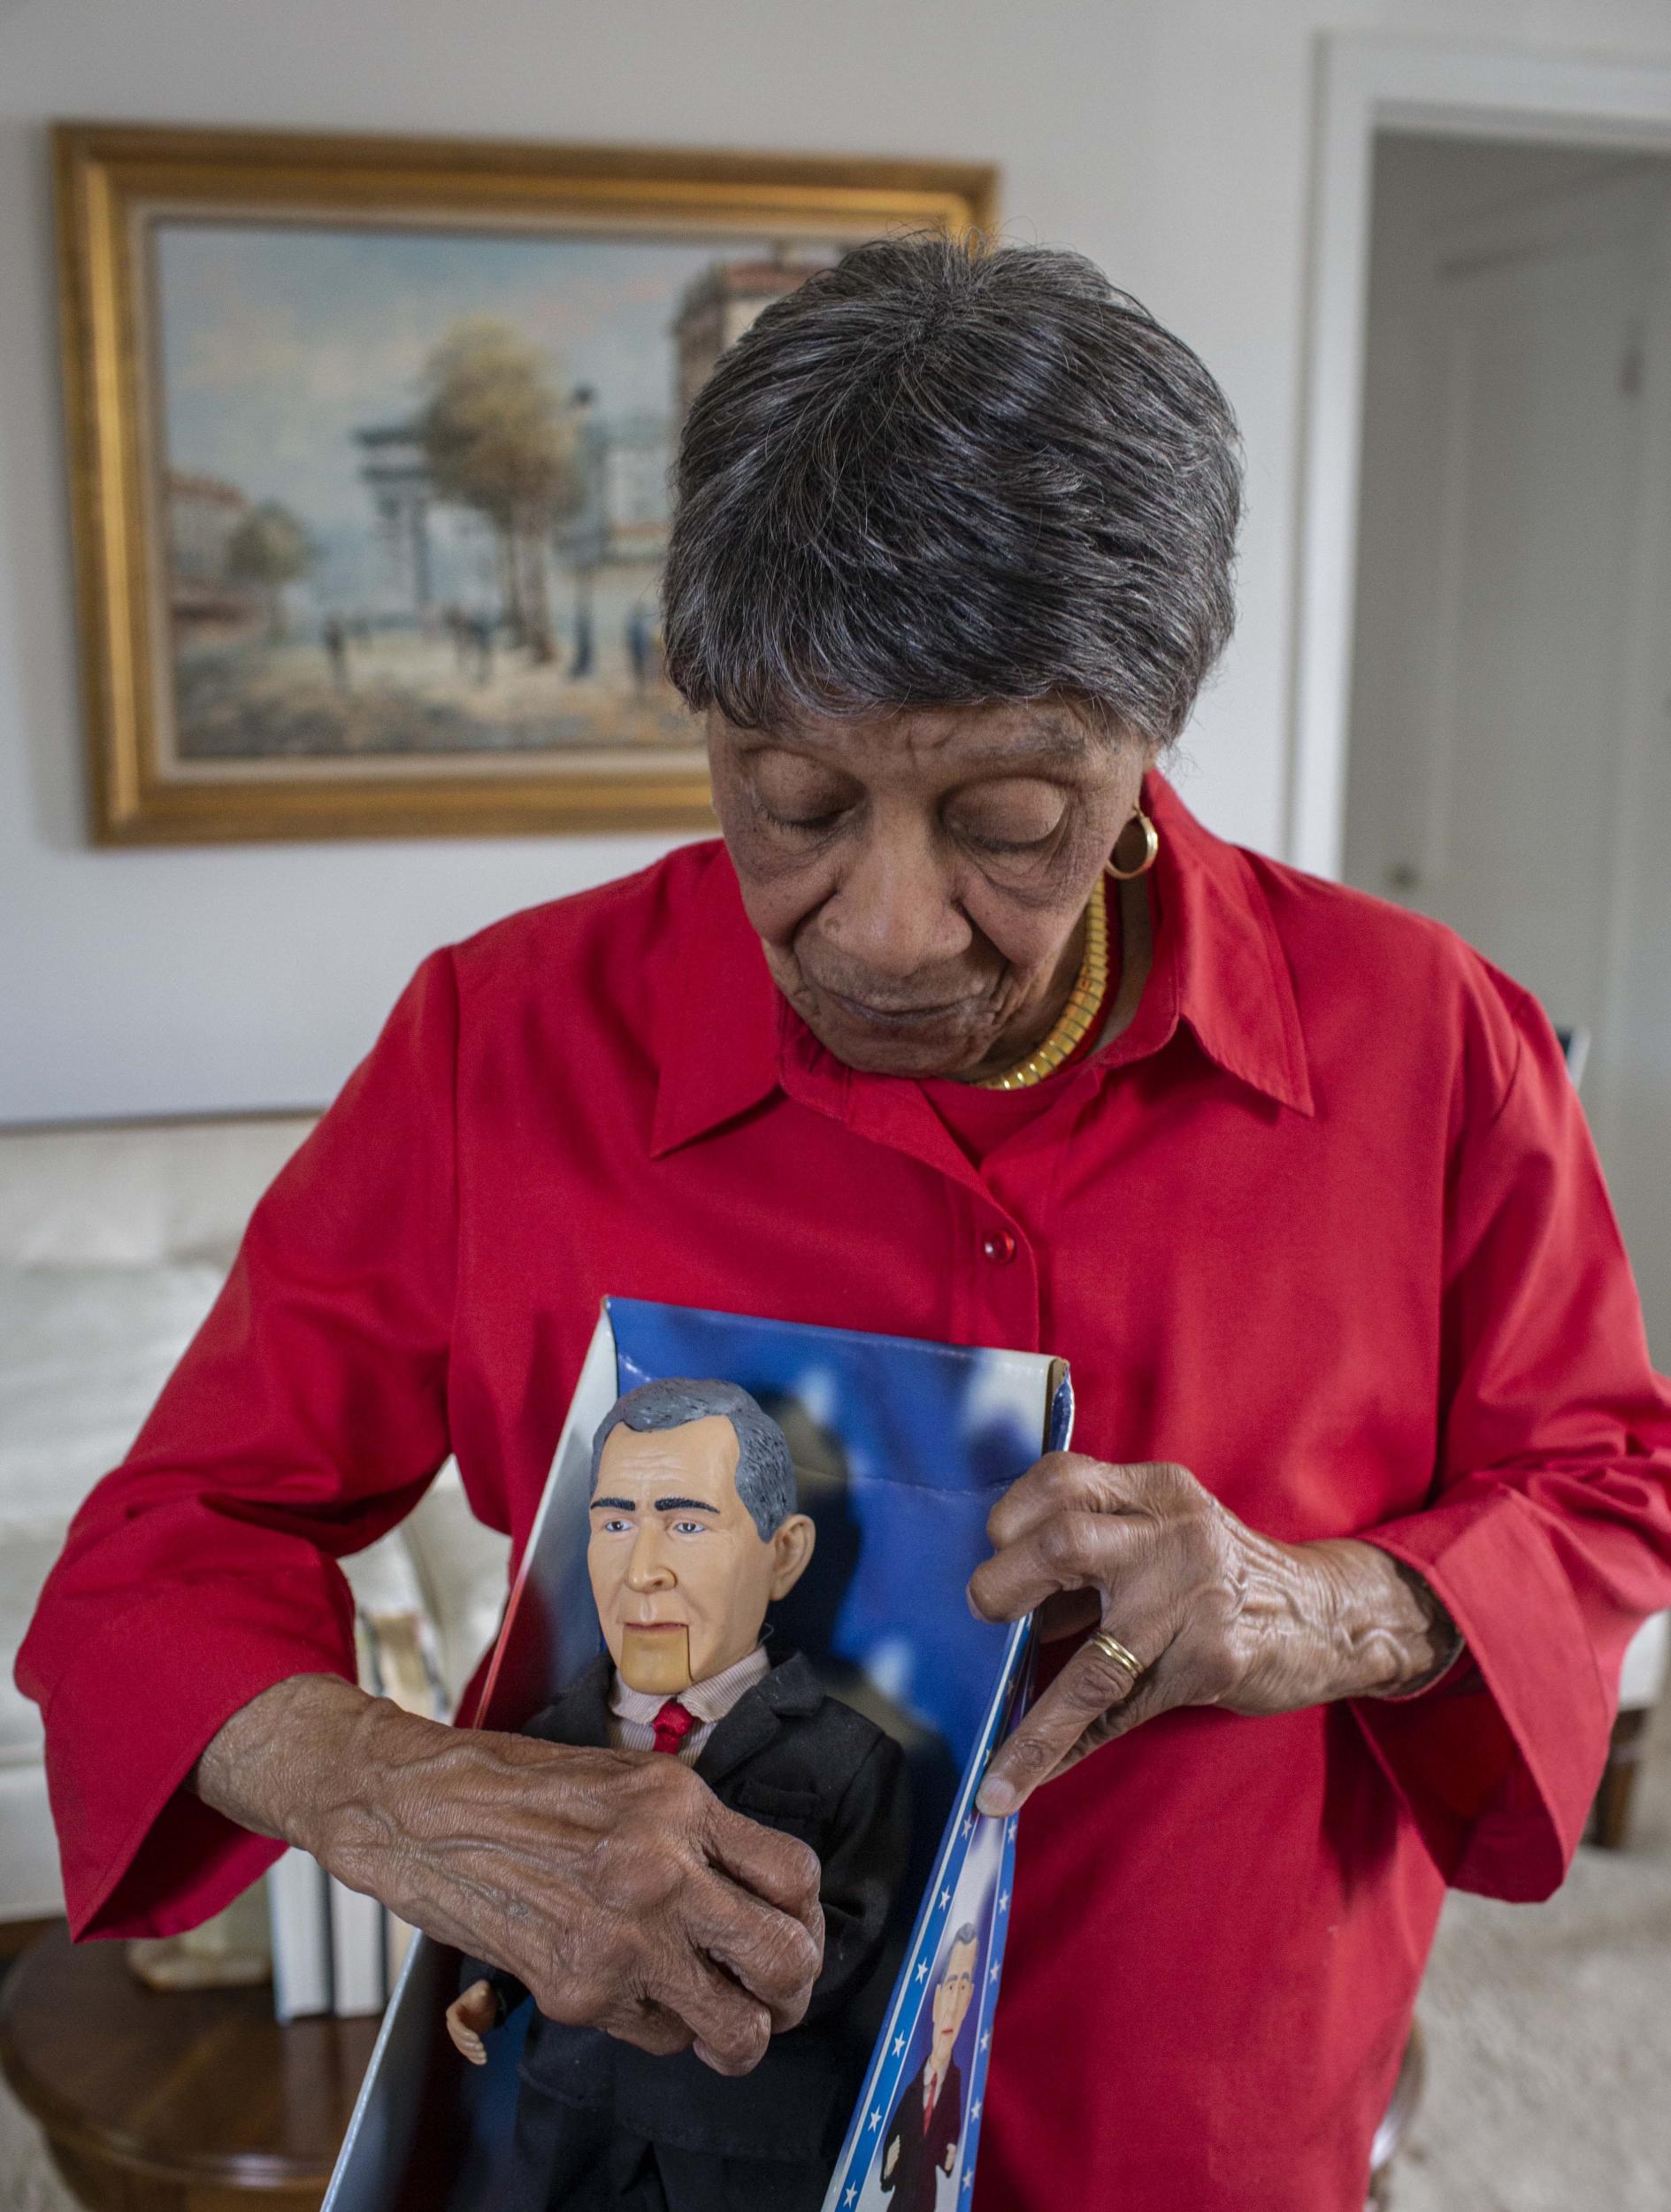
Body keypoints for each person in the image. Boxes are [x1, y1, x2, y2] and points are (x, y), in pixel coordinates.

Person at [19, 234, 1671, 2212]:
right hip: (644, 2146)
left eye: (1005, 818)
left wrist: (1326, 1606)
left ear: (1149, 736)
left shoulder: (1428, 1045)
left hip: (1203, 2131)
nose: (884, 932)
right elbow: (154, 1554)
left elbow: (1601, 1487)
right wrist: (399, 1791)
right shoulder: (501, 1039)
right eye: (789, 798)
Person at [443, 1378, 908, 2212]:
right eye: (615, 1524)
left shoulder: (845, 1757)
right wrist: (492, 1987)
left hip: (741, 2132)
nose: (643, 1571)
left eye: (687, 1524)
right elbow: (519, 1896)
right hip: (573, 2114)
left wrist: (706, 1964)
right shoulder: (548, 1742)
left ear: (784, 1555)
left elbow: (850, 1944)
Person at [879, 1922, 977, 2212]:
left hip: (928, 2201)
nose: (953, 2005)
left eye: (962, 1988)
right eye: (950, 1986)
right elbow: (893, 2138)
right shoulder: (910, 2083)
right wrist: (888, 2167)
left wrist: (950, 2152)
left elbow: (952, 2130)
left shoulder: (957, 2080)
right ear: (935, 2001)